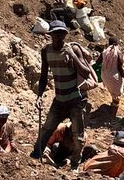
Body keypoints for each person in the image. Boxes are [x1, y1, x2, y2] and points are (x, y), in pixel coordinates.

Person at [33, 22, 94, 167]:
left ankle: (74, 164)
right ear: (51, 35)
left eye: (62, 34)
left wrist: (73, 56)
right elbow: (43, 76)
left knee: (78, 136)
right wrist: (39, 96)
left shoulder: (71, 50)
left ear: (65, 35)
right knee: (47, 128)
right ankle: (36, 155)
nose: (59, 37)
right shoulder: (46, 51)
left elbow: (86, 73)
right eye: (56, 34)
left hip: (75, 100)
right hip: (59, 100)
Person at [101, 35, 124, 113]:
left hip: (105, 76)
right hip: (114, 77)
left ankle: (113, 104)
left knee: (112, 91)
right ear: (117, 43)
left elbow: (98, 62)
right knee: (117, 94)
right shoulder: (118, 53)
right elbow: (120, 68)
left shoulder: (105, 52)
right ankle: (113, 112)